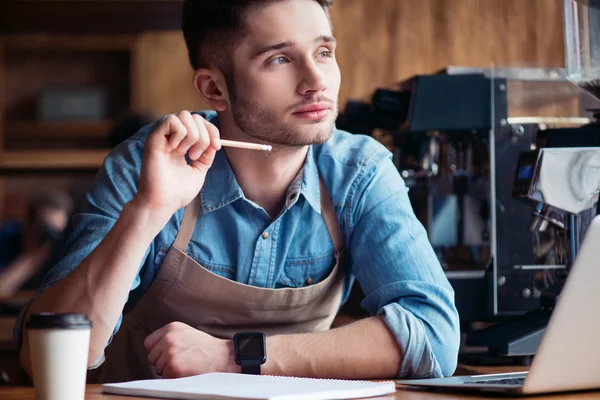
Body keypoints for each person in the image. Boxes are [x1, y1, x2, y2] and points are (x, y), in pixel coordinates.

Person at [15, 0, 460, 383]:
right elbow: (41, 361)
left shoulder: (359, 172)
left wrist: (234, 357)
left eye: (323, 52)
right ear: (214, 88)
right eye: (279, 60)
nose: (316, 81)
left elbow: (434, 337)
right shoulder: (146, 165)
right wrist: (149, 209)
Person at [0, 191, 73, 299]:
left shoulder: (65, 247)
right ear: (27, 224)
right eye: (45, 229)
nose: (50, 237)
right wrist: (30, 259)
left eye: (56, 231)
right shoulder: (7, 236)